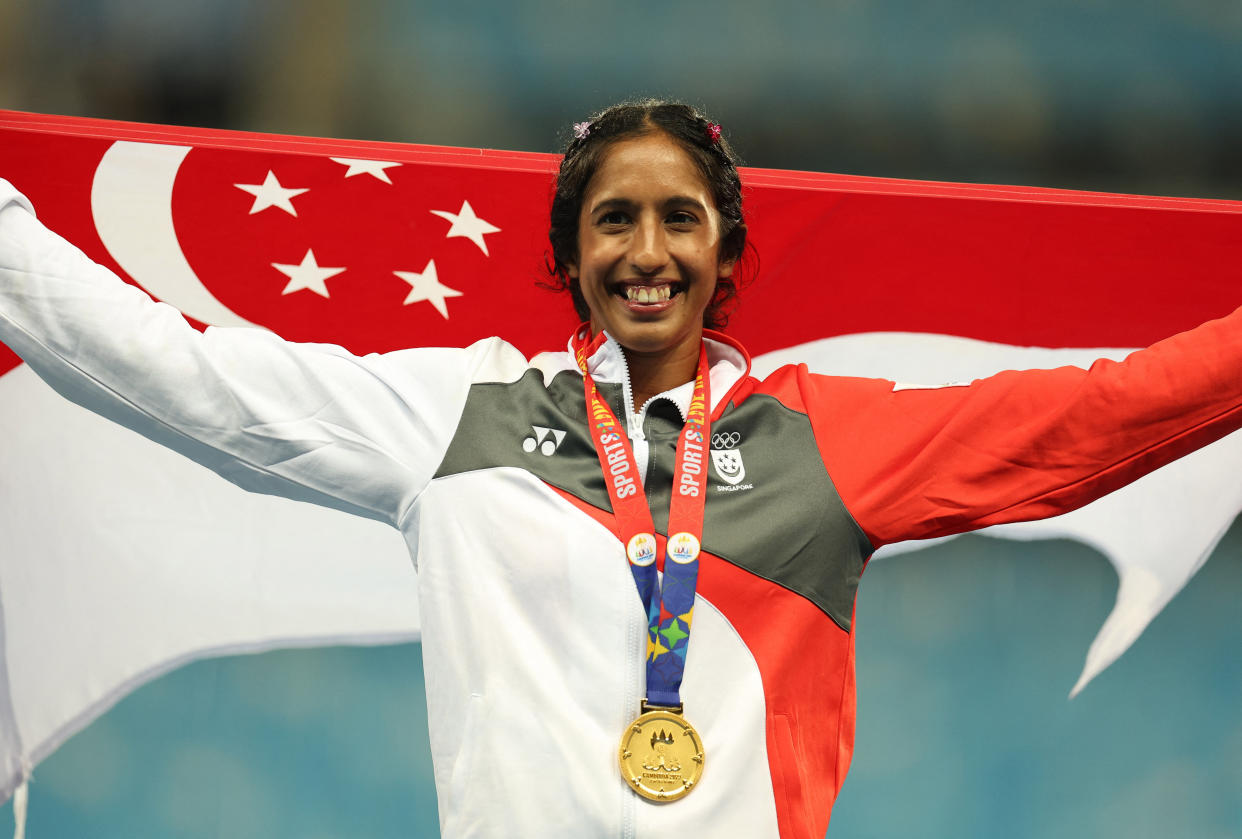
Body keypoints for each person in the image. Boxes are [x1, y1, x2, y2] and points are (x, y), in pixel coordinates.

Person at [1, 99, 1240, 839]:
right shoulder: (458, 412)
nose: (648, 251)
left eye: (681, 218)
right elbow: (180, 371)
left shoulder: (822, 435)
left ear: (725, 246)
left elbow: (1097, 417)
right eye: (613, 219)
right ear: (570, 252)